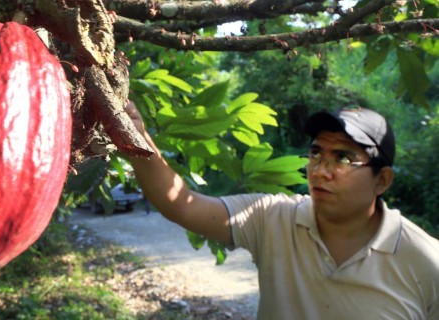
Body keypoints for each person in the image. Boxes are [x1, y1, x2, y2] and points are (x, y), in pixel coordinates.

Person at [125, 102, 439, 319]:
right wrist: (134, 133)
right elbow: (180, 203)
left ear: (381, 180)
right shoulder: (273, 218)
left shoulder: (426, 261)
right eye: (316, 153)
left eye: (343, 158)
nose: (320, 171)